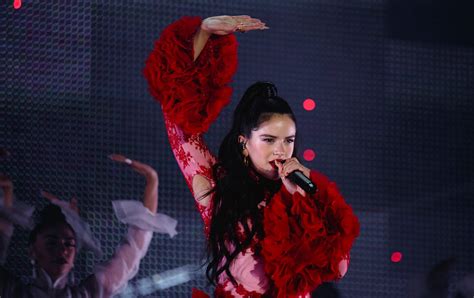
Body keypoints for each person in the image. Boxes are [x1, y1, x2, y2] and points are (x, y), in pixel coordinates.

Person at [144, 15, 360, 297]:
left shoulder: (300, 196)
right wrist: (203, 35)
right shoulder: (219, 189)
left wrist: (304, 201)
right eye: (269, 140)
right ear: (244, 143)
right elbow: (179, 124)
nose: (281, 150)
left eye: (289, 141)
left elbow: (339, 267)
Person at [0, 153, 177, 297]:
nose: (62, 250)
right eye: (51, 242)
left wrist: (151, 179)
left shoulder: (89, 293)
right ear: (32, 250)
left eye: (69, 243)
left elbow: (133, 249)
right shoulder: (11, 291)